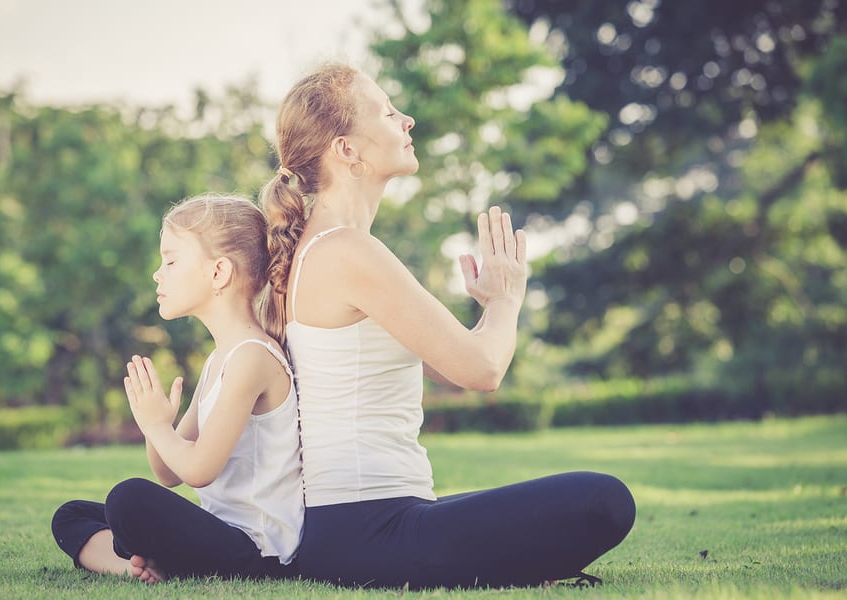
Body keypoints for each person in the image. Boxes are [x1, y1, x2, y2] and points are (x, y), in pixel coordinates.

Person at [259, 63, 636, 590]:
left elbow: (447, 365)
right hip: (367, 531)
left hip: (368, 526)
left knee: (556, 504)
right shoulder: (346, 249)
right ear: (347, 150)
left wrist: (488, 311)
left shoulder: (329, 246)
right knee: (604, 499)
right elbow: (483, 370)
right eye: (388, 112)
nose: (407, 119)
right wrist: (506, 300)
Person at [51, 193, 303, 584]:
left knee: (128, 499)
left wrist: (157, 427)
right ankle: (138, 568)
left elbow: (198, 470)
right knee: (71, 515)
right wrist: (158, 426)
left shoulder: (252, 357)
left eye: (170, 261)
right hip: (220, 533)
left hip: (258, 551)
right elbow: (169, 473)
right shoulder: (220, 358)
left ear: (218, 273)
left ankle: (153, 562)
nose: (158, 274)